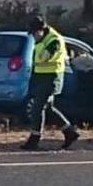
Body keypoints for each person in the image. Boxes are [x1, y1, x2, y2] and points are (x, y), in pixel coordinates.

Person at [22, 16, 80, 150]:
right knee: (47, 108)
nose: (34, 36)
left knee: (37, 108)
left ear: (42, 29)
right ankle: (70, 132)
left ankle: (34, 139)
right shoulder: (42, 39)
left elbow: (44, 57)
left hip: (51, 78)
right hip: (41, 77)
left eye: (35, 33)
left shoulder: (54, 40)